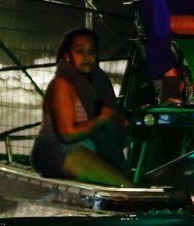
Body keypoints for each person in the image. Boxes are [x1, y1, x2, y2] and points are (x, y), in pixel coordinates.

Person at [29, 28, 135, 186]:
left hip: (87, 146)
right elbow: (67, 134)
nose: (87, 57)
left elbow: (112, 123)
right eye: (80, 51)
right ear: (67, 55)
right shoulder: (62, 84)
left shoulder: (99, 82)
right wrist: (101, 120)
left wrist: (122, 125)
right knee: (125, 186)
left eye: (91, 52)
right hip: (59, 149)